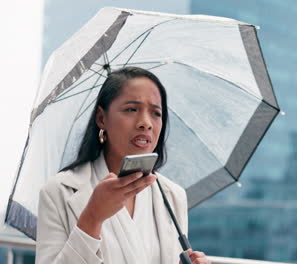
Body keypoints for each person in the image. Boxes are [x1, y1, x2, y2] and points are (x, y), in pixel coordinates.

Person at [35, 66, 211, 264]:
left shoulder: (173, 195)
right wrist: (92, 217)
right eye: (131, 109)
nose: (146, 123)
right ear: (102, 118)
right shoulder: (59, 191)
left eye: (156, 113)